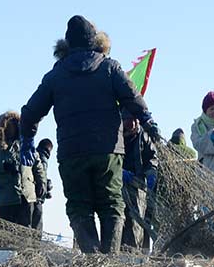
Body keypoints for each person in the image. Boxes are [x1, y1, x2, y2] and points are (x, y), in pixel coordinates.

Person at [19, 15, 158, 253]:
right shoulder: (109, 67)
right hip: (108, 150)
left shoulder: (56, 74)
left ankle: (92, 257)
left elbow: (31, 111)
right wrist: (147, 118)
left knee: (79, 207)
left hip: (73, 153)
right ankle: (109, 260)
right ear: (94, 41)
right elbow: (131, 96)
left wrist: (28, 139)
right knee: (111, 205)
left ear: (67, 43)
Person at [0, 111, 45, 227]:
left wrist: (41, 182)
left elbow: (37, 164)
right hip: (6, 197)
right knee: (9, 231)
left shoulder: (25, 144)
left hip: (27, 195)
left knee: (27, 230)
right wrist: (2, 166)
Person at [121, 110, 158, 250]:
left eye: (135, 119)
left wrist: (151, 171)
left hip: (137, 187)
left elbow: (152, 157)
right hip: (117, 186)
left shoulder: (143, 135)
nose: (133, 123)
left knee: (137, 222)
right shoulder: (113, 135)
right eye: (128, 119)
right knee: (119, 221)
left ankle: (136, 255)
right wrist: (118, 172)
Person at [31, 139, 54, 231]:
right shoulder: (43, 158)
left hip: (31, 194)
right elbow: (41, 177)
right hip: (37, 197)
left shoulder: (34, 154)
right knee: (36, 226)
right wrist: (45, 189)